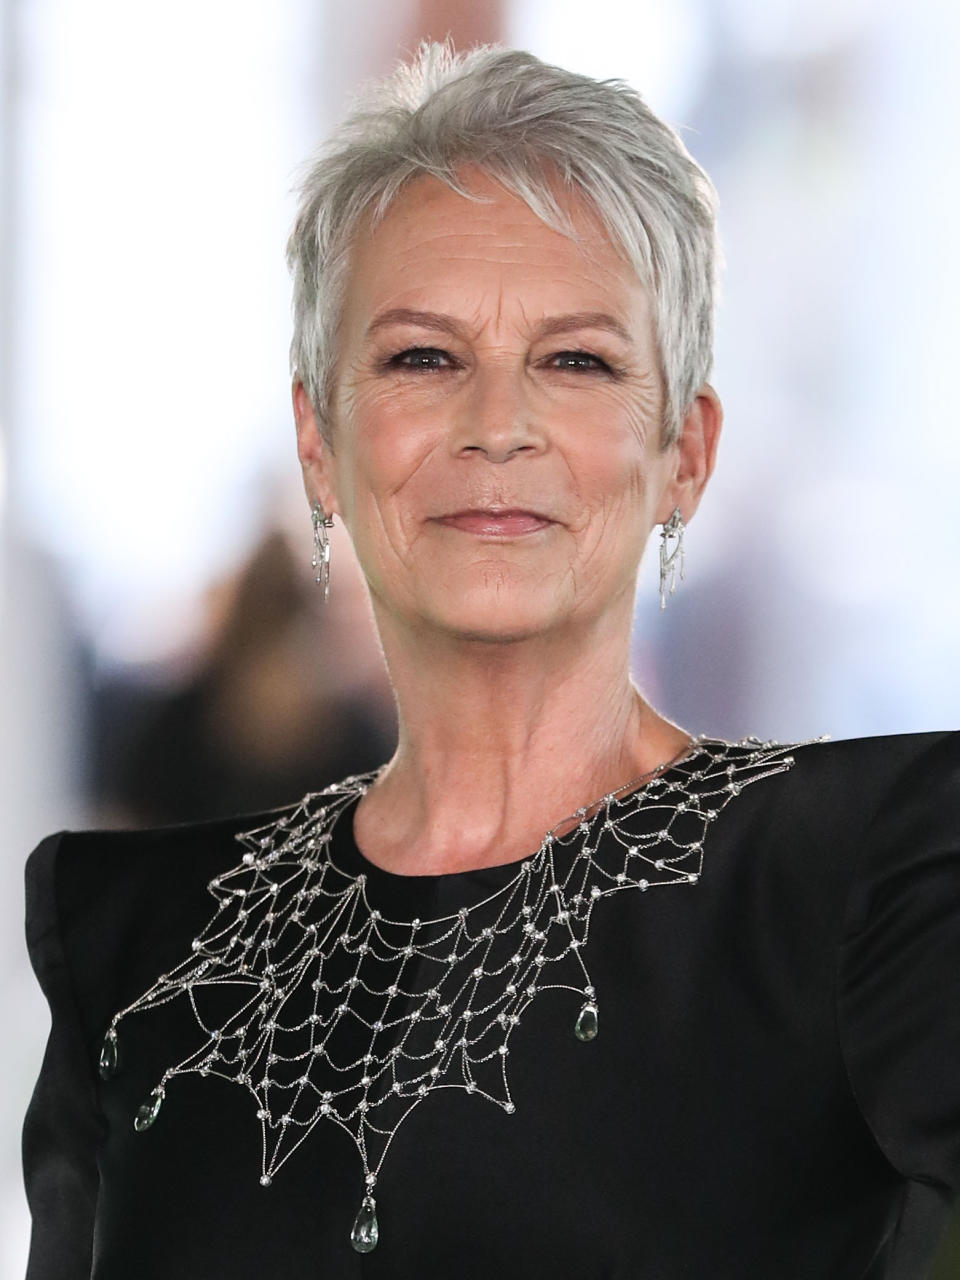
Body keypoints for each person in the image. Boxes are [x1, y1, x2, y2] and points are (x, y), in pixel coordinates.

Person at [22, 42, 960, 1280]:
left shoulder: (866, 875)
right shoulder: (131, 938)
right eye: (423, 355)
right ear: (319, 438)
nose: (496, 424)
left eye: (577, 360)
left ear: (685, 447)